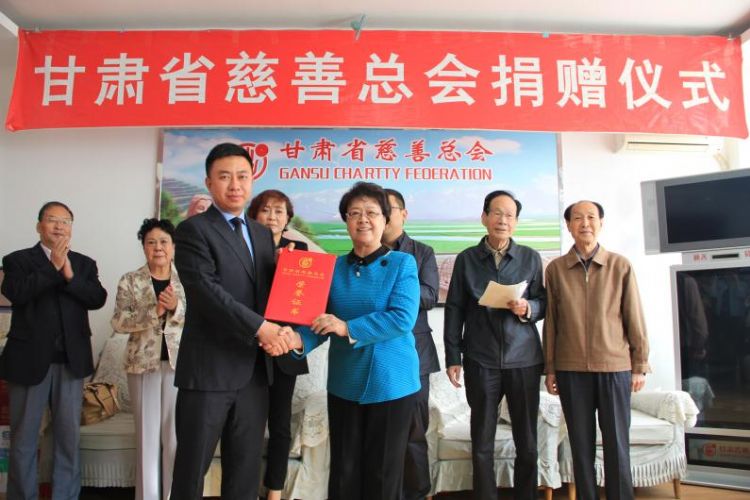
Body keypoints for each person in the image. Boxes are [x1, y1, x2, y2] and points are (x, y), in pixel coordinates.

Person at [170, 143, 292, 500]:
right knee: (192, 470)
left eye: (242, 176)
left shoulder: (260, 233)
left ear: (252, 180)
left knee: (244, 472)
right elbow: (207, 293)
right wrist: (262, 328)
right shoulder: (192, 230)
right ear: (209, 183)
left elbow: (265, 295)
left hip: (254, 373)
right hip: (208, 371)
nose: (235, 185)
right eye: (225, 177)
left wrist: (287, 275)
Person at [285, 181, 421, 500]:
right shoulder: (332, 268)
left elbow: (402, 318)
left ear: (385, 220)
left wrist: (347, 327)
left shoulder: (402, 264)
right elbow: (318, 321)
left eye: (372, 212)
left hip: (391, 385)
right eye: (355, 213)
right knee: (344, 472)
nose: (363, 219)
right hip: (344, 383)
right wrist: (295, 340)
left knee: (382, 475)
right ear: (346, 220)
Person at [0, 201, 107, 499]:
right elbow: (16, 293)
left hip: (71, 362)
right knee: (24, 438)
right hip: (28, 361)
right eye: (52, 219)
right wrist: (52, 268)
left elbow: (97, 298)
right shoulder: (17, 260)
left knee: (68, 438)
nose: (59, 226)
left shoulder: (84, 264)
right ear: (39, 226)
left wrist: (70, 276)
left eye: (65, 221)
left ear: (71, 227)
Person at [544, 200, 650, 500]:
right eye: (578, 218)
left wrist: (639, 364)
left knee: (617, 445)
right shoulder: (555, 269)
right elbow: (551, 321)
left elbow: (634, 316)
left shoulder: (620, 265)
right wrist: (550, 368)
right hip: (570, 370)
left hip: (615, 368)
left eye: (591, 217)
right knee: (580, 447)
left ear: (601, 223)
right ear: (568, 225)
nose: (585, 223)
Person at [444, 190, 546, 500]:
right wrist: (453, 356)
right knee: (482, 440)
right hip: (481, 358)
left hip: (524, 358)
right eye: (497, 213)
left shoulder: (530, 257)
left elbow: (543, 302)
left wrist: (528, 308)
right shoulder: (466, 259)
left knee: (527, 441)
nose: (503, 220)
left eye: (510, 215)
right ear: (484, 217)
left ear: (516, 222)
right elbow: (454, 309)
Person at [111, 218, 185, 500]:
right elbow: (119, 321)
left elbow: (202, 319)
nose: (158, 248)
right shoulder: (130, 280)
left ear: (173, 246)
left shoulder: (187, 280)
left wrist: (176, 307)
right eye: (151, 242)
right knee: (147, 439)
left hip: (180, 366)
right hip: (142, 366)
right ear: (143, 247)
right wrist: (153, 312)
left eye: (164, 242)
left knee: (175, 438)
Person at [247, 189, 309, 500]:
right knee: (247, 424)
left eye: (279, 211)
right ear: (254, 216)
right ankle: (244, 488)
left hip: (284, 346)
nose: (272, 217)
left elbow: (306, 302)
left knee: (280, 424)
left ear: (287, 219)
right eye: (266, 210)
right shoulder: (241, 250)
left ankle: (274, 491)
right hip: (248, 348)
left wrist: (286, 268)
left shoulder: (300, 251)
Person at [381, 188, 439, 500]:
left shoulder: (422, 252)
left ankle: (417, 494)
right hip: (376, 352)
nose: (383, 215)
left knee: (414, 430)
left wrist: (392, 292)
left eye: (388, 209)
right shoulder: (365, 252)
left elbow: (430, 296)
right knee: (380, 430)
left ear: (404, 214)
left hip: (415, 353)